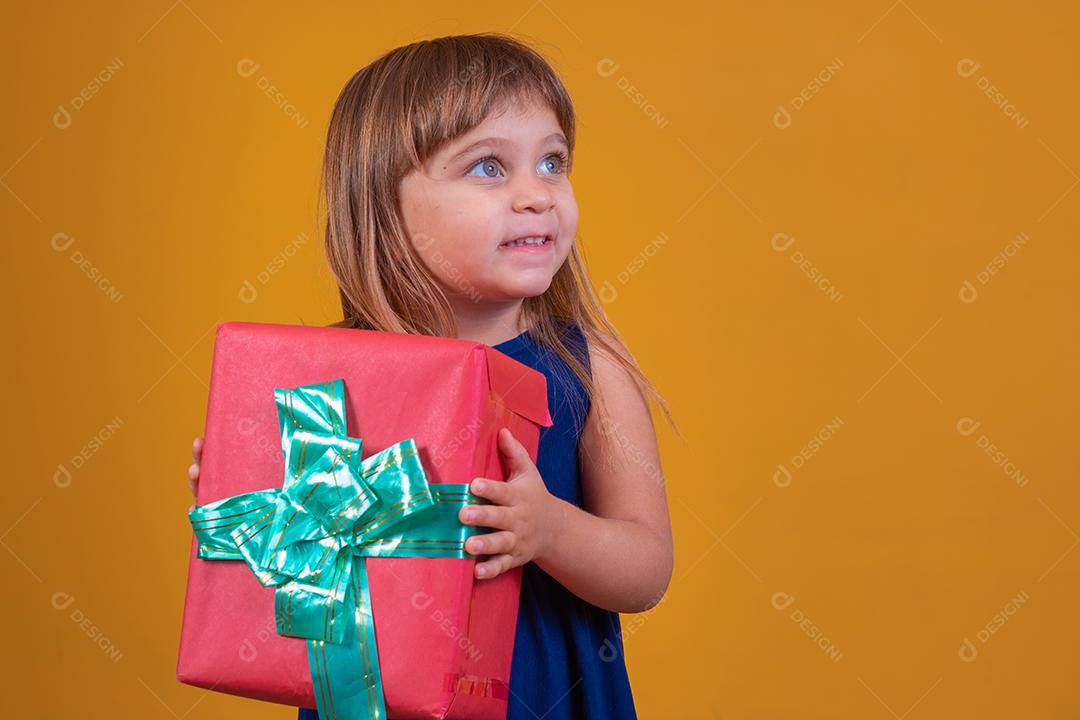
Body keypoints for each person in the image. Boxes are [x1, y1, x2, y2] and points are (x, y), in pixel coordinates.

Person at [186, 32, 675, 720]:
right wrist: (245, 496)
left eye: (553, 161)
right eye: (487, 168)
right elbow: (286, 556)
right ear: (386, 203)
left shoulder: (586, 368)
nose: (536, 195)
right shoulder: (326, 382)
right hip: (367, 689)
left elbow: (648, 568)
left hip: (543, 694)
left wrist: (550, 532)